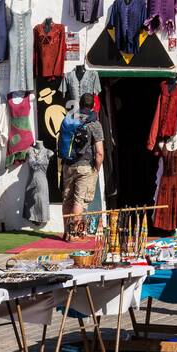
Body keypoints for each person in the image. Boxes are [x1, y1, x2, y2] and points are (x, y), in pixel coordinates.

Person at [60, 93, 104, 242]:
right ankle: (74, 234)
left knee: (67, 199)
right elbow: (99, 153)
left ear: (79, 104)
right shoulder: (94, 123)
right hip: (85, 166)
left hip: (68, 165)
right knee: (79, 201)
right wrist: (97, 169)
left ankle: (66, 232)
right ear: (93, 106)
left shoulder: (70, 119)